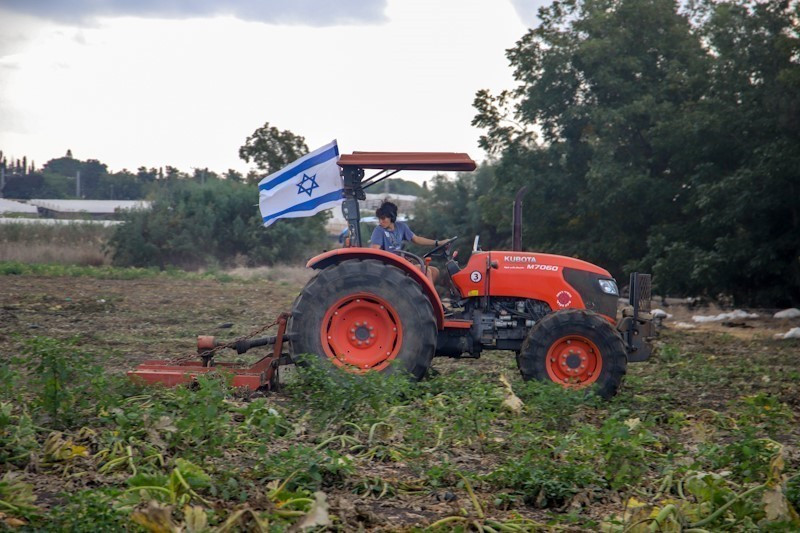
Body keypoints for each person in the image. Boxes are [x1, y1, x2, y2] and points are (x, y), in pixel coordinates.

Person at [369, 201, 449, 283]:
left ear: (391, 217)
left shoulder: (401, 227)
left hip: (401, 263)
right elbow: (375, 251)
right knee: (426, 271)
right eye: (379, 219)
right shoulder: (379, 231)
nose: (380, 221)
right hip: (391, 266)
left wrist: (438, 243)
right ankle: (428, 296)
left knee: (435, 271)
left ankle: (421, 293)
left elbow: (417, 239)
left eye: (383, 218)